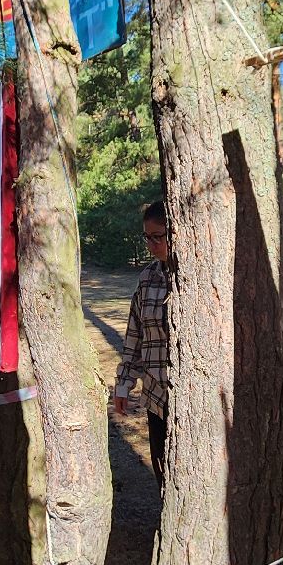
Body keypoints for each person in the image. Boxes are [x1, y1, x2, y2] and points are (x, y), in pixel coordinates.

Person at [110, 201, 172, 484]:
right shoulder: (147, 278)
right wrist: (123, 383)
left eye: (157, 237)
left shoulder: (199, 279)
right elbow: (134, 335)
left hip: (192, 402)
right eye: (146, 237)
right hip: (156, 399)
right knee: (163, 474)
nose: (150, 244)